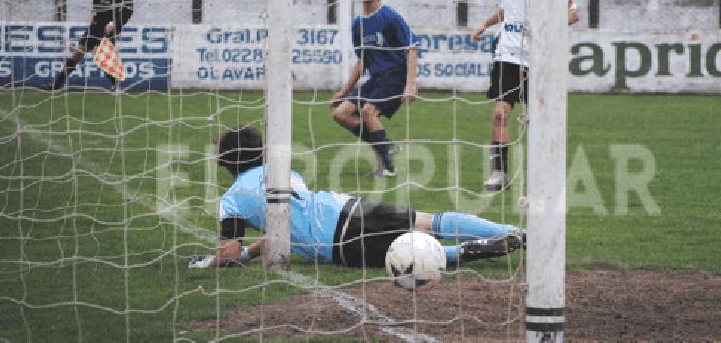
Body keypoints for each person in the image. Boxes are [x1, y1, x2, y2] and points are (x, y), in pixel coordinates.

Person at [187, 126, 524, 269]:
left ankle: (467, 251)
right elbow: (279, 229)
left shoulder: (232, 199)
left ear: (226, 162)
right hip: (345, 205)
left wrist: (213, 261)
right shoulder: (283, 173)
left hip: (334, 243)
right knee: (427, 221)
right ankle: (512, 229)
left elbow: (229, 252)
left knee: (405, 253)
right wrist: (252, 251)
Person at [470, 0, 581, 192]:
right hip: (507, 55)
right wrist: (485, 24)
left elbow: (573, 14)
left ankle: (546, 176)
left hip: (539, 60)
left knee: (541, 120)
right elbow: (507, 11)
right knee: (500, 113)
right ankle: (499, 174)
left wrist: (546, 27)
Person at [329, 0, 418, 178]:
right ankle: (385, 144)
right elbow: (363, 61)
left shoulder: (390, 17)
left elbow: (411, 48)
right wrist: (343, 91)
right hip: (376, 79)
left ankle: (386, 167)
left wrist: (411, 84)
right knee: (341, 114)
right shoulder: (358, 24)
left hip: (395, 76)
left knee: (369, 112)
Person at [51, 0, 135, 91]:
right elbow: (96, 4)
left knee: (98, 54)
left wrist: (114, 24)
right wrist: (93, 12)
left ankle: (116, 84)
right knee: (77, 54)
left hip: (109, 27)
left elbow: (128, 10)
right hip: (95, 26)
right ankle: (57, 85)